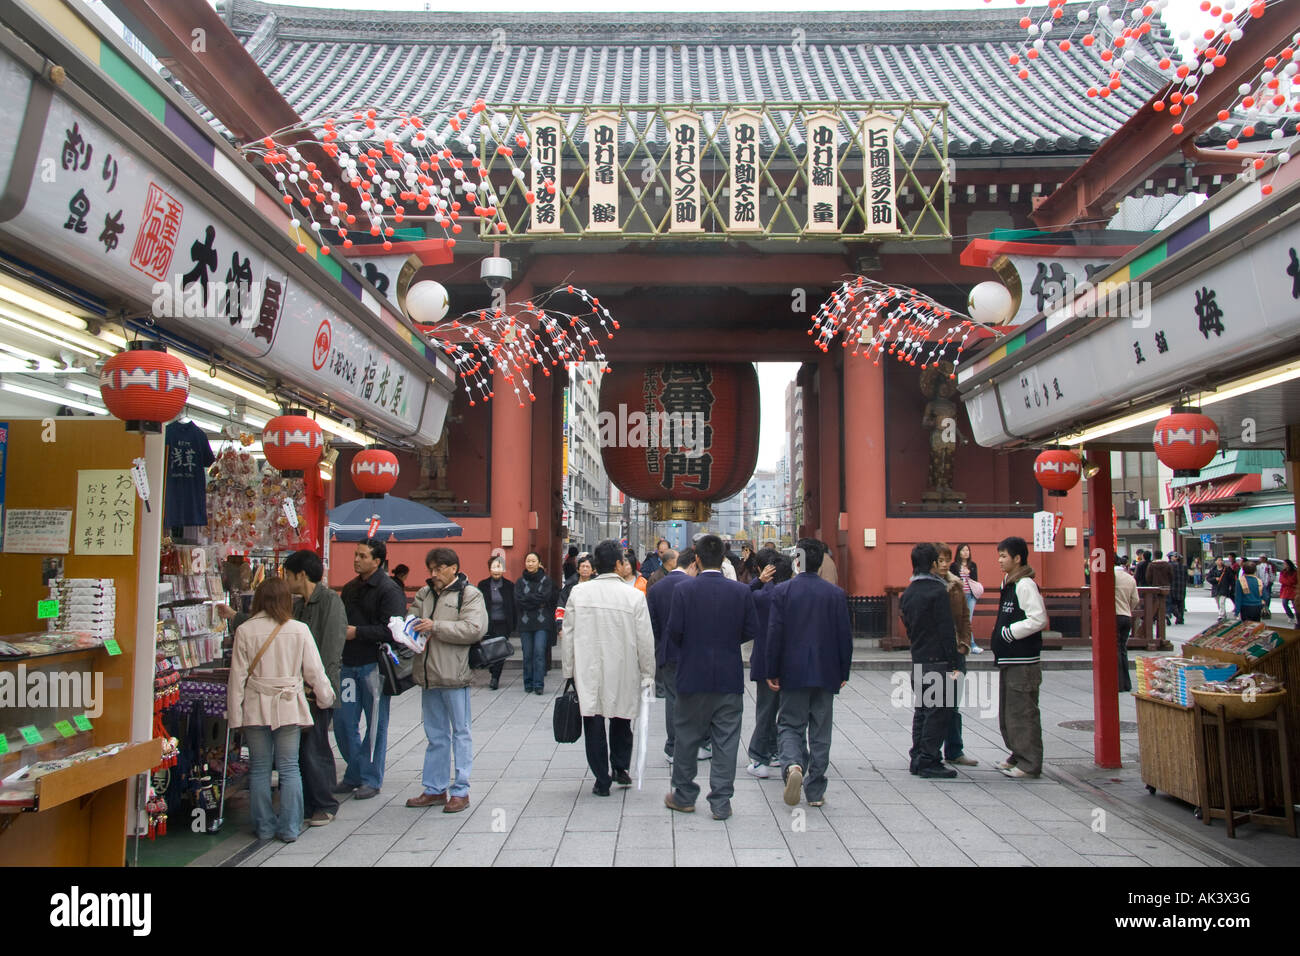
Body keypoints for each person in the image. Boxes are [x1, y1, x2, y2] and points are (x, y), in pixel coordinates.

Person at [218, 550, 347, 827]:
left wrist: (235, 716)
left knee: (262, 768)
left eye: (289, 575)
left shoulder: (246, 631)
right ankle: (290, 826)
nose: (288, 582)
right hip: (291, 703)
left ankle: (265, 825)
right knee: (290, 768)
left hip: (256, 707)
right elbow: (316, 669)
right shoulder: (298, 626)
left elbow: (237, 678)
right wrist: (325, 696)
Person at [663, 534, 759, 820]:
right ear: (724, 559)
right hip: (728, 675)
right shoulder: (740, 592)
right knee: (727, 740)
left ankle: (683, 795)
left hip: (692, 673)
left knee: (687, 736)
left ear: (697, 559)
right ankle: (721, 801)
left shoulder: (683, 590)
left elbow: (675, 632)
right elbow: (750, 630)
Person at [561, 539, 657, 796]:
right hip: (624, 666)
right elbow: (645, 640)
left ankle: (601, 778)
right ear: (617, 564)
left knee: (592, 721)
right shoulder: (635, 596)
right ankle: (620, 768)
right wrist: (648, 673)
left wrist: (568, 671)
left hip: (588, 668)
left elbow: (567, 635)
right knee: (622, 718)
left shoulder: (578, 594)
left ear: (594, 565)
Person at [766, 539, 853, 807]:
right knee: (821, 730)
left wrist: (772, 669)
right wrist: (843, 670)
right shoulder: (835, 594)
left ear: (797, 561)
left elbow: (774, 634)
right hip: (826, 671)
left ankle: (793, 765)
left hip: (793, 671)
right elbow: (844, 636)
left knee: (790, 724)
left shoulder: (782, 592)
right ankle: (815, 790)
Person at [406, 548, 488, 813]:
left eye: (439, 569)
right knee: (435, 734)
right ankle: (434, 788)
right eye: (431, 569)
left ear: (453, 568)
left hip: (455, 674)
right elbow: (414, 619)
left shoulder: (469, 594)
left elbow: (473, 629)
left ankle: (461, 790)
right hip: (428, 674)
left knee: (461, 733)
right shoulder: (424, 593)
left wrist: (436, 627)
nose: (434, 574)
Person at [338, 538, 407, 799]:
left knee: (375, 725)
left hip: (374, 665)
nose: (357, 559)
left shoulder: (389, 590)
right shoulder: (349, 588)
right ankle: (355, 771)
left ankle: (371, 777)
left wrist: (358, 633)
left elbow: (394, 631)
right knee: (344, 722)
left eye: (363, 556)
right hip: (348, 663)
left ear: (377, 561)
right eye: (356, 555)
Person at [899, 544, 960, 780]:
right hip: (938, 658)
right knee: (938, 711)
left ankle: (917, 755)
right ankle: (928, 759)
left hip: (919, 656)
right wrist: (953, 661)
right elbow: (946, 629)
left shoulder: (909, 592)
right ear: (933, 564)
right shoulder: (937, 591)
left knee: (923, 709)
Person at [991, 536, 1048, 779]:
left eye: (1004, 556)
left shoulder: (1025, 584)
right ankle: (1017, 753)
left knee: (1022, 711)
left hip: (1022, 660)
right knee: (1009, 711)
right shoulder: (1010, 583)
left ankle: (1029, 762)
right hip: (1010, 659)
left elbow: (1038, 619)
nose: (1000, 560)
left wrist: (1008, 633)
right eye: (999, 555)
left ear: (1017, 558)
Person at [649, 546, 697, 763]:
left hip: (668, 650)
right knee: (694, 698)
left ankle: (672, 745)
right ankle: (693, 743)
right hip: (693, 652)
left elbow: (654, 625)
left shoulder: (657, 588)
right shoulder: (694, 585)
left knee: (672, 698)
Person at [745, 550, 792, 778]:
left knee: (765, 710)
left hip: (765, 660)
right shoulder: (793, 595)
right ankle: (778, 752)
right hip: (790, 662)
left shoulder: (761, 596)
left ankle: (759, 754)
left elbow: (740, 597)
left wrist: (757, 582)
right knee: (787, 712)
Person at [935, 543, 976, 768]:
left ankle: (954, 749)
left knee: (953, 704)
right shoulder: (930, 586)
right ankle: (930, 750)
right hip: (936, 653)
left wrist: (964, 643)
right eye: (939, 560)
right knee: (932, 704)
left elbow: (964, 619)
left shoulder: (956, 585)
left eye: (946, 560)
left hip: (956, 650)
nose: (943, 565)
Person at [514, 551, 556, 695]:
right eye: (528, 561)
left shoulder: (546, 580)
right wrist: (535, 601)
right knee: (527, 654)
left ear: (539, 563)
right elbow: (518, 600)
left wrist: (529, 600)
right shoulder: (520, 582)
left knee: (539, 652)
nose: (530, 563)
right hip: (525, 622)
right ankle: (528, 683)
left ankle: (538, 684)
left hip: (541, 622)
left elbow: (545, 597)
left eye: (533, 561)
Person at [477, 556, 516, 691]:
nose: (496, 570)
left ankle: (495, 678)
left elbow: (513, 605)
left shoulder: (509, 586)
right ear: (489, 569)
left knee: (500, 650)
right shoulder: (483, 585)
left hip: (503, 623)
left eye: (499, 567)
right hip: (488, 622)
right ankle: (492, 670)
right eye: (493, 567)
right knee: (489, 649)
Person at [1114, 554, 1140, 693]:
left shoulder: (1110, 577)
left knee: (1114, 648)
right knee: (1123, 649)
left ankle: (1117, 682)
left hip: (1114, 615)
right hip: (1126, 615)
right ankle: (1126, 683)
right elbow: (1135, 599)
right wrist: (1128, 608)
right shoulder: (1130, 578)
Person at [954, 543, 984, 654]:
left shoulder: (972, 565)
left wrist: (969, 574)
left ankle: (971, 644)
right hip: (959, 596)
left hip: (971, 596)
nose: (966, 552)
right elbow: (953, 580)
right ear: (959, 552)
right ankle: (962, 644)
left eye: (967, 550)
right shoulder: (954, 566)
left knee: (968, 620)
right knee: (959, 620)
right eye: (963, 550)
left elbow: (975, 580)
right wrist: (961, 577)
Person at [1145, 552, 1171, 626]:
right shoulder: (1167, 565)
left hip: (1155, 586)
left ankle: (1155, 616)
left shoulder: (1151, 565)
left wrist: (1150, 584)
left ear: (1154, 556)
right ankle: (1165, 614)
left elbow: (1148, 577)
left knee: (1155, 602)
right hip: (1165, 586)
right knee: (1165, 602)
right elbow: (1171, 575)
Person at [1167, 552, 1187, 626]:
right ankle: (1180, 618)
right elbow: (1186, 577)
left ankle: (1177, 615)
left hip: (1172, 586)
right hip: (1181, 587)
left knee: (1172, 603)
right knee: (1181, 603)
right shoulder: (1184, 566)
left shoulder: (1169, 565)